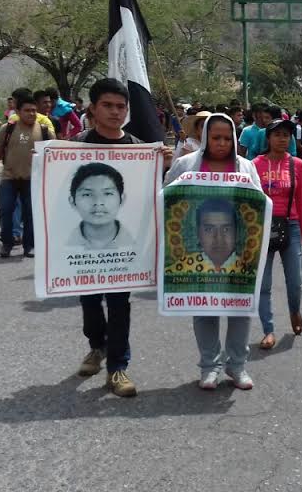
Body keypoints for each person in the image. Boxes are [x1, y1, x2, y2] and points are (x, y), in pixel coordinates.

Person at [71, 78, 172, 398]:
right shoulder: (75, 145)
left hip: (122, 247)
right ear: (93, 109)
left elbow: (149, 196)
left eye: (121, 106)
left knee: (118, 304)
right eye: (108, 106)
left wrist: (163, 165)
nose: (115, 112)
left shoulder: (138, 148)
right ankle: (96, 346)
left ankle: (117, 367)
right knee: (89, 302)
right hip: (85, 246)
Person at [165, 113, 261, 391]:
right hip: (198, 250)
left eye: (227, 138)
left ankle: (237, 365)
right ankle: (209, 366)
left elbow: (257, 204)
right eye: (216, 137)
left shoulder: (246, 167)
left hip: (238, 251)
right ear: (206, 137)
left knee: (240, 309)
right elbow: (167, 197)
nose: (221, 143)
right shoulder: (185, 164)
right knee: (204, 308)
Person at [253, 119, 302, 348]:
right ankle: (268, 330)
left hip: (291, 225)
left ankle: (294, 311)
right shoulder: (255, 164)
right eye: (277, 134)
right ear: (268, 138)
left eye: (286, 135)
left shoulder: (296, 164)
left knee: (295, 281)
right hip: (262, 227)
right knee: (263, 283)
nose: (282, 139)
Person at [0, 94, 54, 257]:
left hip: (33, 180)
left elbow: (55, 154)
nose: (31, 114)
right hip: (9, 178)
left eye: (34, 111)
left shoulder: (45, 131)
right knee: (6, 211)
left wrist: (43, 156)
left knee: (30, 214)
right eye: (27, 110)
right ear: (17, 111)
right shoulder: (7, 128)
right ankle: (7, 243)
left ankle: (29, 245)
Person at [66, 163, 135, 250]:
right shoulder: (59, 248)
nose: (98, 202)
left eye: (107, 193)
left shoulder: (138, 244)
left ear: (122, 199)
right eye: (87, 194)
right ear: (72, 202)